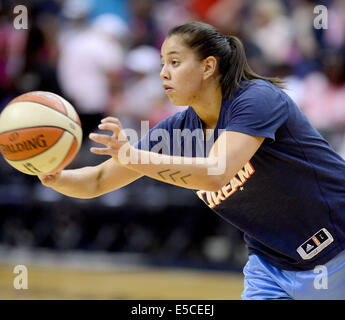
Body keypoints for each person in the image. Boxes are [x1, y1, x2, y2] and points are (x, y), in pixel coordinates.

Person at [38, 21, 345, 300]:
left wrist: (132, 155)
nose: (163, 73)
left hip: (338, 247)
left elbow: (216, 173)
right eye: (162, 64)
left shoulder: (256, 100)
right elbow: (97, 180)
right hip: (271, 263)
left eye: (174, 62)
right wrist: (51, 173)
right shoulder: (176, 129)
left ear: (208, 66)